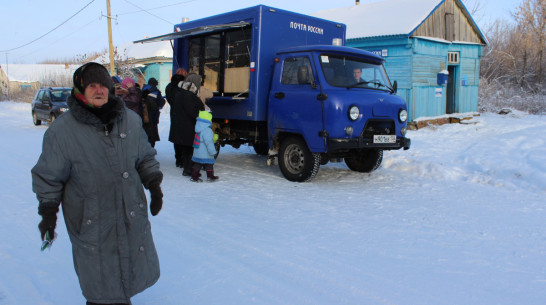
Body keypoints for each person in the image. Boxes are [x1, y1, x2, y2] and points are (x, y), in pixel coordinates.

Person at [31, 62, 163, 305]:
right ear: (80, 89)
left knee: (125, 277)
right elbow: (49, 176)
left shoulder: (130, 121)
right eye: (92, 85)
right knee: (101, 287)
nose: (99, 90)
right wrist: (48, 212)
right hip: (92, 221)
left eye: (103, 85)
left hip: (128, 215)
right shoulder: (62, 131)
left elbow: (144, 156)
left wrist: (153, 184)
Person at [172, 73, 205, 176]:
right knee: (190, 149)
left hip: (180, 124)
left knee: (186, 150)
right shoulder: (190, 95)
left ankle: (187, 169)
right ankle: (189, 170)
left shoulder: (180, 92)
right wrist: (200, 113)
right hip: (188, 125)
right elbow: (192, 111)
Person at [190, 110, 219, 182]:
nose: (211, 121)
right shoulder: (207, 130)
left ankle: (194, 176)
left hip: (198, 151)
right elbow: (209, 142)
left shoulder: (198, 128)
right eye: (210, 119)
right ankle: (210, 176)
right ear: (207, 121)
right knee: (209, 164)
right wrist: (212, 151)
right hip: (205, 152)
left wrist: (213, 137)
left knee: (198, 164)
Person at [165, 73, 186, 167]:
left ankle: (178, 159)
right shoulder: (178, 90)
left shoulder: (169, 87)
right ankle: (181, 160)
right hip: (181, 115)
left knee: (176, 138)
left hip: (173, 115)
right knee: (182, 138)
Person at [141, 78, 166, 147]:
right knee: (153, 132)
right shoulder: (156, 91)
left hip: (143, 114)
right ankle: (151, 146)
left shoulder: (143, 89)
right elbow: (161, 102)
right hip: (153, 115)